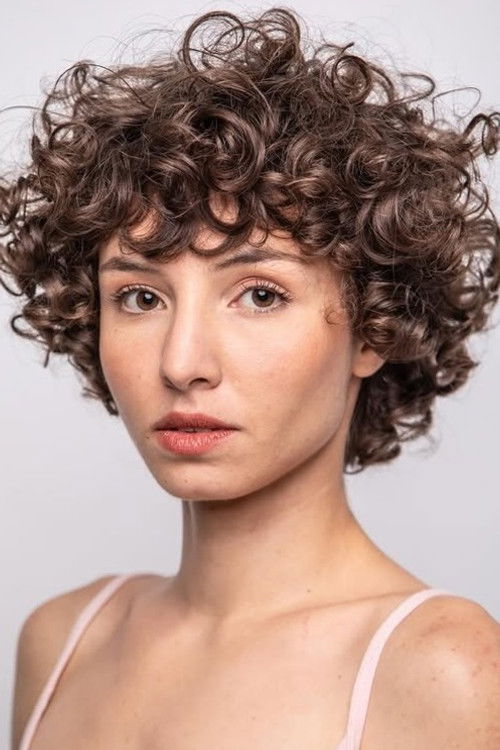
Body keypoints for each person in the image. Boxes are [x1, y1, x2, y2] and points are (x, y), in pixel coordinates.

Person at [2, 7, 500, 750]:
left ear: (374, 327)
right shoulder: (63, 641)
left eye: (260, 295)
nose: (182, 363)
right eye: (140, 298)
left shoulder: (444, 670)